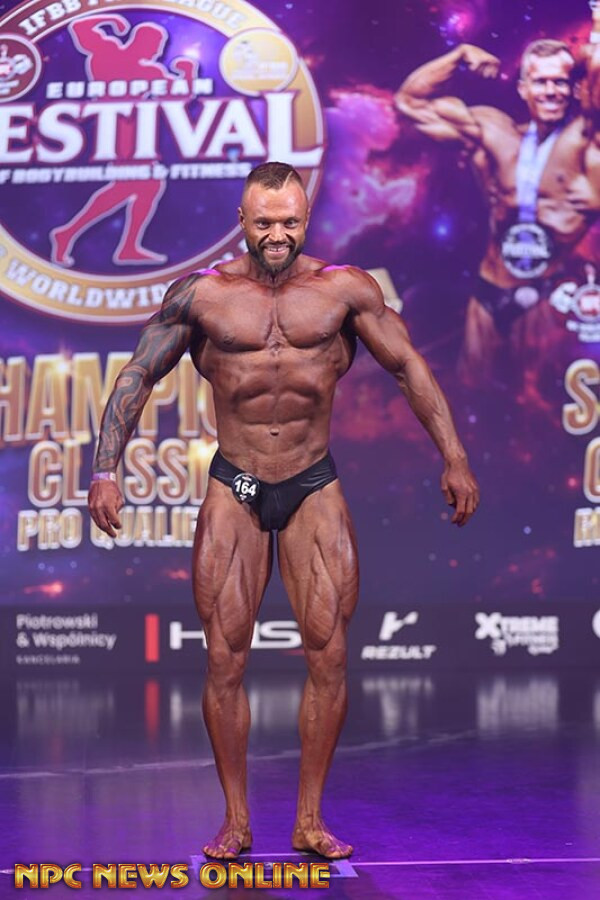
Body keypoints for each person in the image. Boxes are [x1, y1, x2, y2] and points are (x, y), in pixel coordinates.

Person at [88, 161, 479, 860]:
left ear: (305, 220)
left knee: (329, 655)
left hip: (312, 484)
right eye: (265, 222)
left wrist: (453, 455)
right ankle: (236, 821)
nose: (277, 234)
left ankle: (309, 821)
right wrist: (104, 470)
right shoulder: (203, 296)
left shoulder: (344, 290)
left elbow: (408, 367)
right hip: (235, 484)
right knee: (224, 658)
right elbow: (138, 375)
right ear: (242, 221)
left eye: (290, 222)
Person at [395, 39, 600, 384]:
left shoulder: (587, 146)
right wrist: (459, 55)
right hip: (488, 294)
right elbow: (410, 101)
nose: (551, 91)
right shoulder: (495, 133)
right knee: (474, 396)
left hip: (548, 298)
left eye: (560, 82)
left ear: (576, 88)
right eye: (541, 82)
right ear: (523, 88)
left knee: (537, 404)